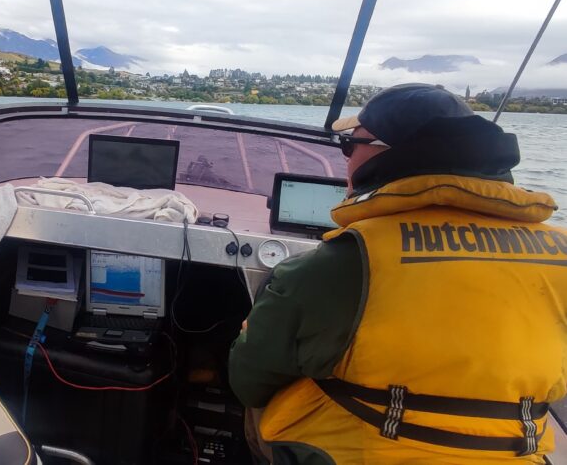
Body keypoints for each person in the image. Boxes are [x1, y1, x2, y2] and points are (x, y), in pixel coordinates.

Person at [229, 83, 567, 464]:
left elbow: (250, 381)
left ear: (382, 154)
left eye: (348, 145)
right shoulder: (560, 250)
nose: (345, 159)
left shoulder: (346, 260)